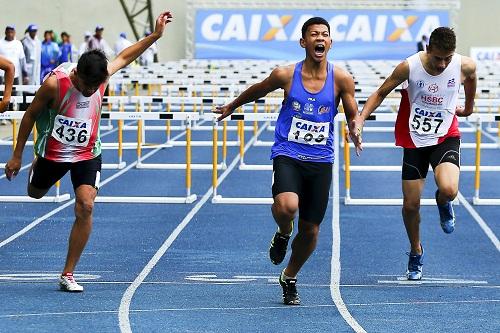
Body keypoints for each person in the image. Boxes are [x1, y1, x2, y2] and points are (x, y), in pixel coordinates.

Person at [4, 10, 173, 292]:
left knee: (86, 205)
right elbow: (30, 116)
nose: (92, 90)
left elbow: (127, 55)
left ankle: (68, 273)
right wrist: (17, 155)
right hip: (53, 152)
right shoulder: (55, 84)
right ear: (76, 75)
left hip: (87, 152)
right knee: (34, 193)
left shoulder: (101, 76)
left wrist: (155, 35)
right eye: (87, 85)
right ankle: (37, 164)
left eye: (96, 86)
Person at [215, 17, 362, 305]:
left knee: (311, 230)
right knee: (287, 207)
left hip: (320, 160)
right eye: (314, 34)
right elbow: (259, 88)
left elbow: (352, 111)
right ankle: (283, 232)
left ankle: (290, 276)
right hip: (288, 153)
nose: (320, 38)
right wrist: (233, 105)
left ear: (330, 43)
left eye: (325, 35)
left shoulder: (341, 78)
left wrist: (355, 128)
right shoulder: (286, 75)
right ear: (304, 42)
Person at [356, 27, 477, 280]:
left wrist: (468, 106)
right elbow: (380, 92)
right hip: (414, 139)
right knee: (411, 205)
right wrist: (360, 120)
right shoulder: (409, 67)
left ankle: (444, 203)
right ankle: (415, 251)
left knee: (449, 189)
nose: (443, 64)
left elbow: (472, 76)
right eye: (438, 58)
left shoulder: (463, 65)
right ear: (428, 49)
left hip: (445, 135)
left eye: (448, 58)